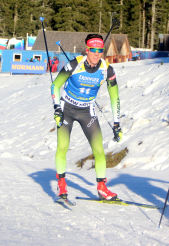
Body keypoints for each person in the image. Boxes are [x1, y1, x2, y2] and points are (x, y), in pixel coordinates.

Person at [51, 34, 123, 201]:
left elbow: (115, 97)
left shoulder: (107, 69)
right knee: (63, 146)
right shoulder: (75, 64)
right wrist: (56, 109)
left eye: (100, 50)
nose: (97, 54)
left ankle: (102, 187)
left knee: (99, 151)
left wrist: (117, 122)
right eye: (93, 50)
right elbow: (55, 85)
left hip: (87, 111)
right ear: (87, 50)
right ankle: (61, 184)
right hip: (66, 108)